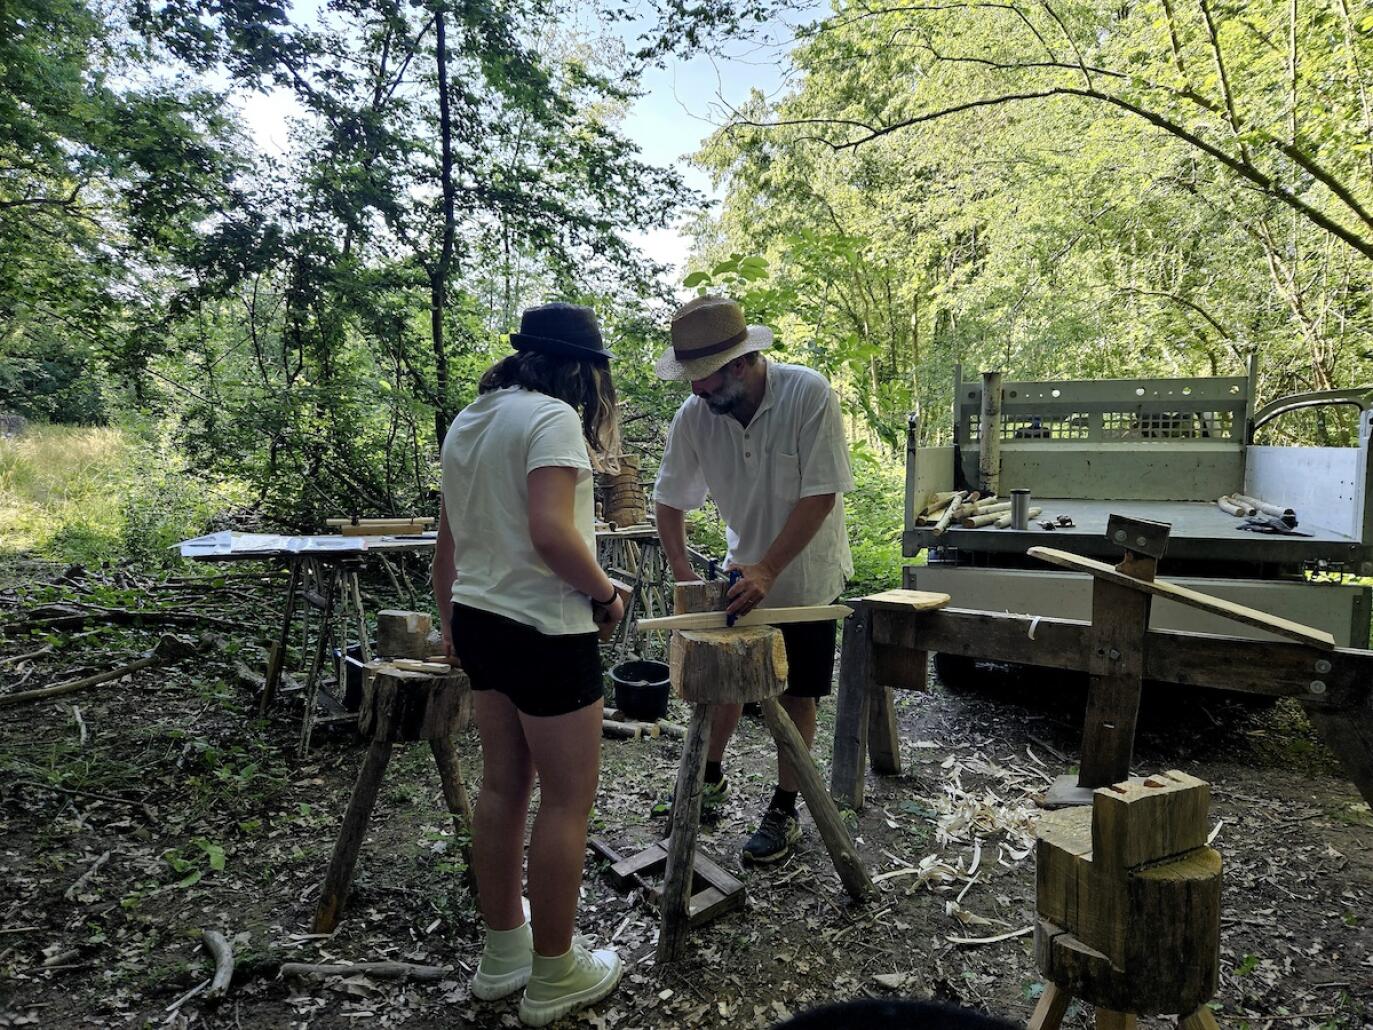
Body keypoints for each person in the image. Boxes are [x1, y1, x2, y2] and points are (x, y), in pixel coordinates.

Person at [432, 303, 624, 1027]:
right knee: (568, 800)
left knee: (503, 786)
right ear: (579, 369)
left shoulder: (471, 418)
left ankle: (502, 953)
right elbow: (550, 531)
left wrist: (453, 621)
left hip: (480, 620)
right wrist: (606, 594)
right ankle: (553, 974)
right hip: (546, 627)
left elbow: (446, 545)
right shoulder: (551, 419)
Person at [652, 295, 854, 864]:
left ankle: (785, 808)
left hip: (808, 578)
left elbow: (821, 493)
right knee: (723, 683)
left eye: (706, 379)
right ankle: (708, 777)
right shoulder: (695, 418)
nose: (695, 390)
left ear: (741, 363)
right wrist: (684, 576)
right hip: (742, 572)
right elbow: (669, 504)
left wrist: (772, 567)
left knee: (796, 694)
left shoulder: (807, 394)